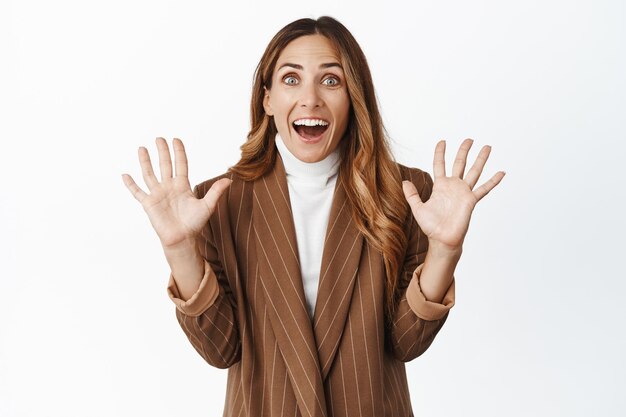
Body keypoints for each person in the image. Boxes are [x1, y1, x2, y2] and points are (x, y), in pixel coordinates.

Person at [122, 15, 504, 417]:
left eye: (330, 80)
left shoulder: (407, 193)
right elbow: (221, 350)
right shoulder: (220, 201)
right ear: (267, 99)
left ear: (354, 97)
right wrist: (180, 249)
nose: (310, 99)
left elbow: (406, 343)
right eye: (291, 79)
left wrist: (445, 250)